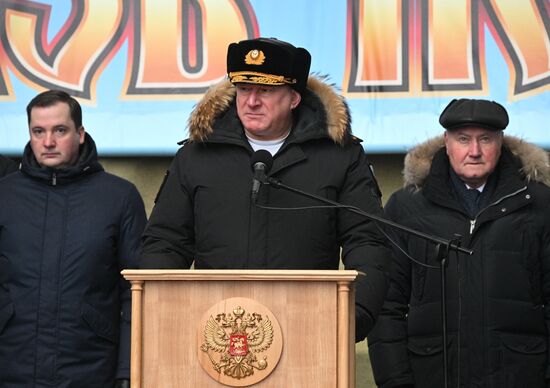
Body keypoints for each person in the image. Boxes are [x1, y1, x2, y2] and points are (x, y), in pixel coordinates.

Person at [140, 37, 392, 341]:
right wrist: (160, 309)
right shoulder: (197, 156)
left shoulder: (339, 156)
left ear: (294, 98)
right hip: (215, 333)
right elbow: (166, 241)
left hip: (309, 331)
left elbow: (366, 241)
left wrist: (356, 313)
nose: (251, 101)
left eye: (266, 90)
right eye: (244, 89)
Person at [368, 99, 550, 388]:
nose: (474, 151)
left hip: (520, 375)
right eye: (463, 139)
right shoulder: (406, 208)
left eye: (485, 139)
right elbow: (386, 305)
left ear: (501, 142)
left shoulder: (540, 203)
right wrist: (396, 382)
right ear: (446, 142)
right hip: (434, 375)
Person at [0, 90, 147, 388]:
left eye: (60, 130)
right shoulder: (5, 194)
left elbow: (137, 291)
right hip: (13, 368)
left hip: (91, 371)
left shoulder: (119, 196)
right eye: (38, 131)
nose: (48, 142)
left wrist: (128, 370)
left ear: (80, 134)